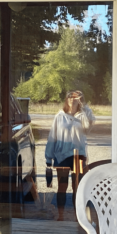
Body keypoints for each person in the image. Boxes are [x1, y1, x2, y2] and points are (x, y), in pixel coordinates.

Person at [44, 90, 95, 221]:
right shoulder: (59, 116)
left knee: (77, 186)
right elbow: (52, 137)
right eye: (70, 97)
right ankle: (60, 216)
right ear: (66, 100)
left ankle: (78, 217)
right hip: (61, 155)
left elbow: (88, 127)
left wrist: (84, 106)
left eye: (76, 98)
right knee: (62, 186)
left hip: (78, 155)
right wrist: (48, 158)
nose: (72, 100)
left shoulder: (83, 115)